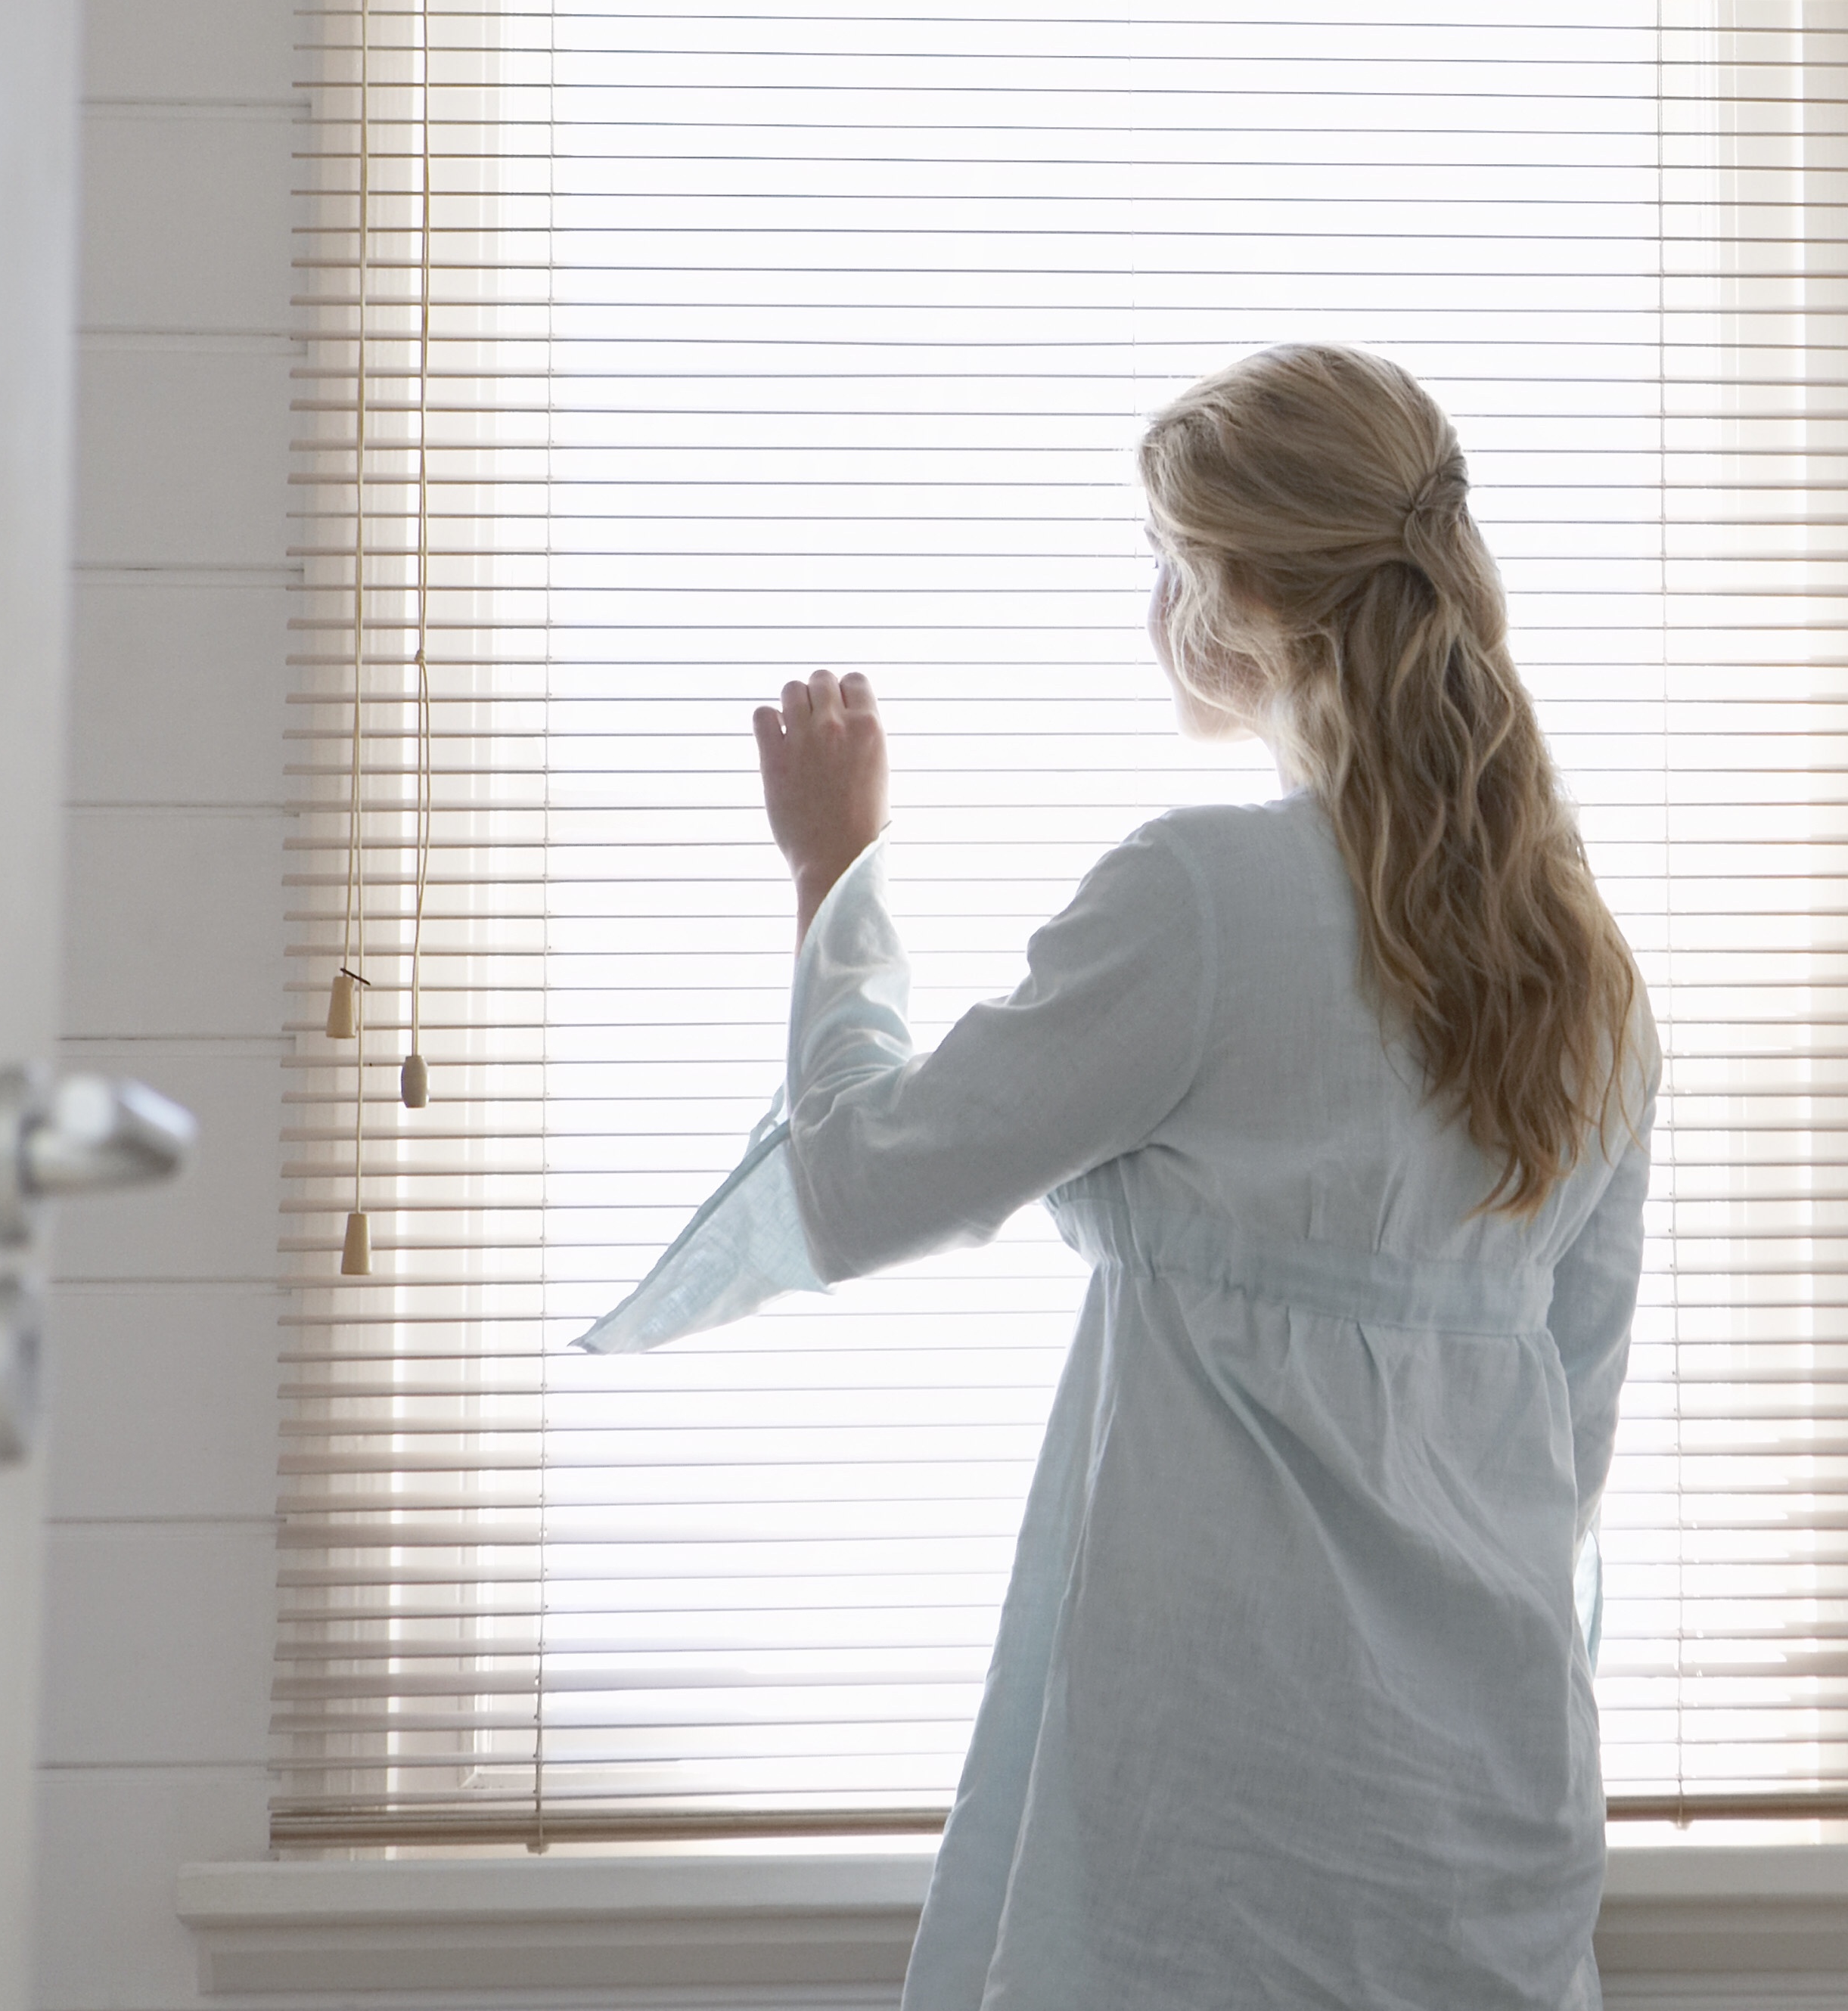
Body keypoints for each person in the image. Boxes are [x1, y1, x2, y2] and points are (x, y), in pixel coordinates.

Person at [602, 343, 1657, 2011]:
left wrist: (833, 870)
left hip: (1222, 1787)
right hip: (1484, 1788)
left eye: (1166, 561)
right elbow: (1568, 1421)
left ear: (1247, 599)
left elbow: (866, 1186)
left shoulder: (1203, 896)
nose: (1149, 603)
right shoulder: (1584, 962)